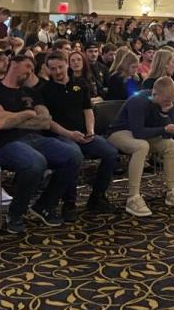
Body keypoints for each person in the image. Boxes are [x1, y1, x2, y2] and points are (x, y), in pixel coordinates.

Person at [0, 55, 82, 232]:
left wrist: (7, 116)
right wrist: (27, 114)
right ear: (14, 64)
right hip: (3, 143)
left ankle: (44, 205)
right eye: (27, 66)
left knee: (73, 155)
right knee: (35, 162)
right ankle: (15, 213)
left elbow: (44, 121)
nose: (30, 72)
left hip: (35, 138)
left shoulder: (31, 93)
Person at [42, 51, 118, 215]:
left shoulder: (81, 84)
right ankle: (69, 201)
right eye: (53, 69)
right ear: (48, 69)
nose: (57, 72)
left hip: (84, 133)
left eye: (60, 67)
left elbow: (87, 110)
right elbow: (48, 122)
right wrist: (70, 134)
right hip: (60, 136)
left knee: (111, 153)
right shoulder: (45, 90)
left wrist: (90, 131)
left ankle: (97, 196)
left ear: (66, 65)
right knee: (74, 155)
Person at [106, 76, 174, 216]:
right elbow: (138, 131)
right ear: (154, 94)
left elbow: (167, 136)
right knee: (142, 146)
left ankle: (172, 191)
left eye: (171, 100)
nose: (168, 103)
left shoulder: (168, 103)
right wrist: (164, 128)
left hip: (145, 134)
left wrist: (168, 120)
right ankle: (133, 197)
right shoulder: (138, 101)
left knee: (170, 144)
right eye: (165, 100)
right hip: (119, 132)